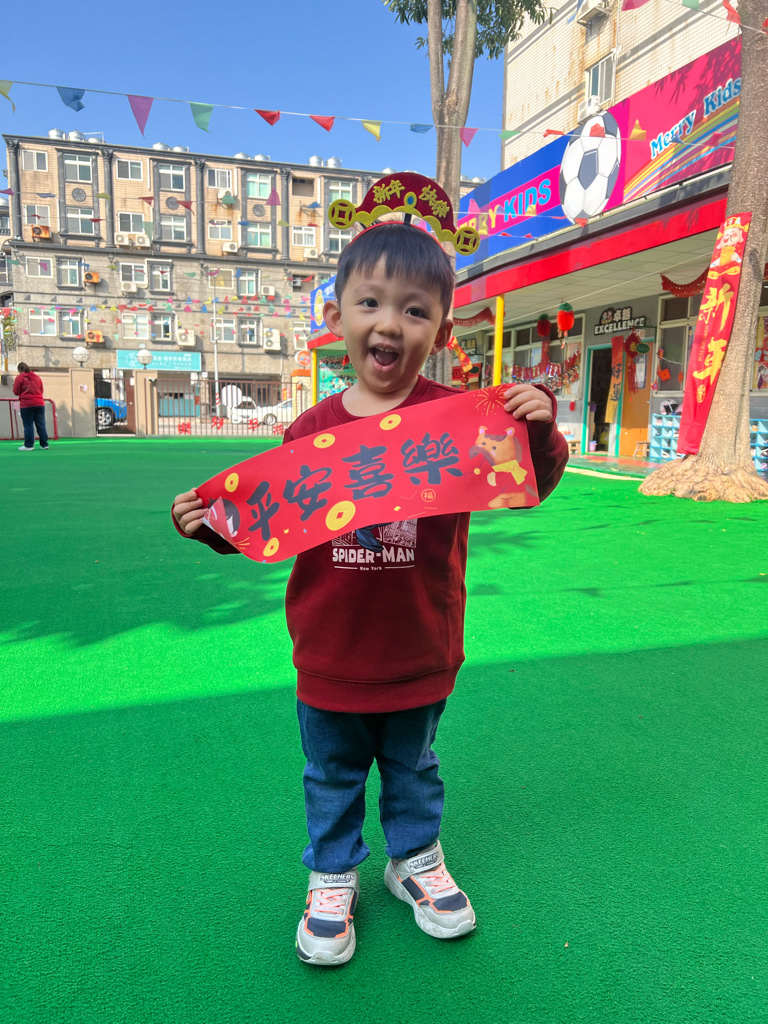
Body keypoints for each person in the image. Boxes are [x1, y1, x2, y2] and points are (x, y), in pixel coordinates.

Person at [172, 219, 568, 967]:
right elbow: (270, 519)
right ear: (337, 318)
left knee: (414, 768)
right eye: (371, 303)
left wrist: (540, 433)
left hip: (420, 648)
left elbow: (531, 480)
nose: (390, 323)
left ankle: (414, 861)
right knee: (331, 773)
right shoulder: (310, 429)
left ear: (442, 331)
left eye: (415, 310)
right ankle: (332, 875)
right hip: (330, 651)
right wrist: (211, 526)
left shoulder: (463, 420)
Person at [13, 362, 49, 451]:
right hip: (39, 403)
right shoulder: (37, 378)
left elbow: (16, 391)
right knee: (41, 424)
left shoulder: (20, 378)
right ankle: (44, 444)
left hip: (27, 404)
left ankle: (29, 445)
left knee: (28, 425)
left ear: (19, 370)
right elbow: (41, 390)